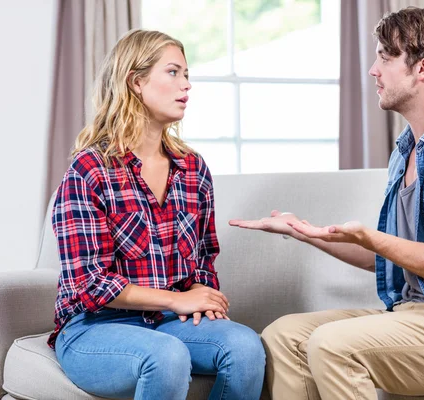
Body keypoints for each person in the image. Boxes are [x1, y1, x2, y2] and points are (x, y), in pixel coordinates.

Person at [230, 7, 424, 399]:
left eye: (385, 58)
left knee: (331, 345)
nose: (373, 70)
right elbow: (391, 256)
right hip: (413, 316)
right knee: (282, 336)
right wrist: (305, 232)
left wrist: (372, 238)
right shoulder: (406, 150)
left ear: (422, 68)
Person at [50, 29, 265, 400]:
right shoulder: (90, 170)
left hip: (168, 322)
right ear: (135, 81)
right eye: (173, 72)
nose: (186, 85)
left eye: (187, 74)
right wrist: (175, 299)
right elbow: (89, 285)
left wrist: (200, 289)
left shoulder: (192, 168)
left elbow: (202, 257)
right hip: (94, 329)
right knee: (166, 357)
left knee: (245, 348)